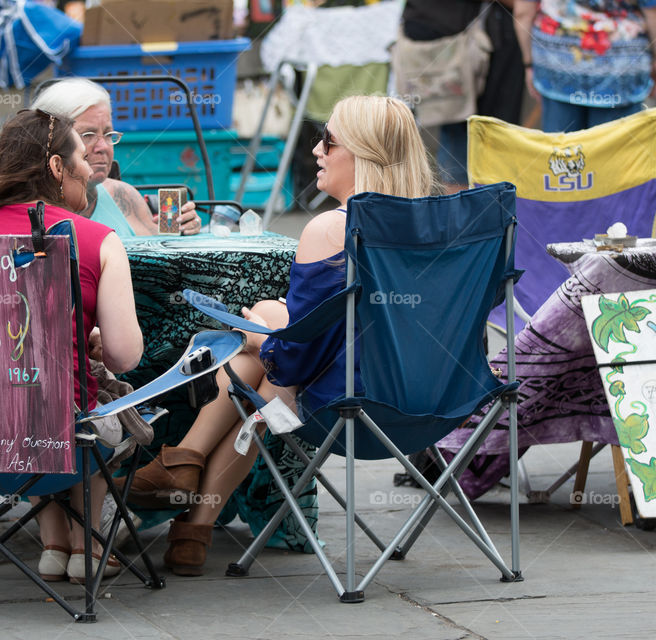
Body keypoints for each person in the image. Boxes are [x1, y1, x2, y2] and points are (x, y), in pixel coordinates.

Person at [120, 95, 435, 576]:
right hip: (427, 402)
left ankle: (183, 463)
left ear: (364, 152)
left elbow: (296, 360)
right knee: (269, 357)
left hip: (346, 404)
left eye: (328, 140)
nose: (316, 150)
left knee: (263, 353)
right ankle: (194, 526)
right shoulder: (438, 228)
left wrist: (258, 338)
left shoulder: (331, 227)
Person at [0, 109, 143, 583]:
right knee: (84, 401)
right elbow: (124, 356)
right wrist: (86, 342)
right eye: (80, 154)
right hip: (62, 443)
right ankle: (88, 546)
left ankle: (55, 542)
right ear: (58, 168)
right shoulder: (96, 239)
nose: (87, 171)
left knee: (14, 379)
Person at [31, 78, 203, 237]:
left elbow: (163, 260)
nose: (103, 147)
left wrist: (184, 233)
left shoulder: (124, 196)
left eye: (108, 134)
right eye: (88, 135)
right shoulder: (28, 211)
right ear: (50, 143)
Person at [400, 0, 524, 192]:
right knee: (465, 137)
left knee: (458, 135)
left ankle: (459, 212)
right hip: (461, 45)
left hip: (439, 36)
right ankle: (461, 216)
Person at [514, 0, 656, 133]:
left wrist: (528, 64)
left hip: (556, 67)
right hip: (621, 71)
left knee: (562, 152)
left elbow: (523, 12)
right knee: (614, 153)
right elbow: (652, 13)